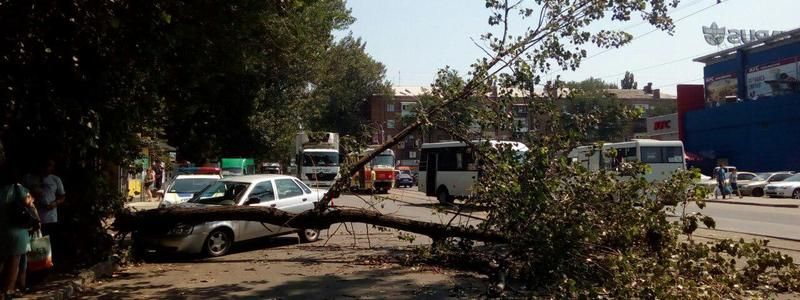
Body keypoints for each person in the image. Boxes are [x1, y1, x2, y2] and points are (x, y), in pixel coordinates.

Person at [23, 159, 64, 266]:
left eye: (51, 166)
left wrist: (54, 204)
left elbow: (62, 196)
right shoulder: (29, 178)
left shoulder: (55, 179)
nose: (48, 168)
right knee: (33, 245)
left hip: (50, 217)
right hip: (33, 218)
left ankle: (49, 266)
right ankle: (35, 268)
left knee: (50, 243)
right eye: (46, 165)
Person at [0, 184, 38, 299]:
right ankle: (8, 290)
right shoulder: (18, 188)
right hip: (18, 231)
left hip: (2, 230)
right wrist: (31, 203)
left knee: (3, 260)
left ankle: (5, 289)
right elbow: (27, 202)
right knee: (14, 262)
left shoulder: (2, 190)